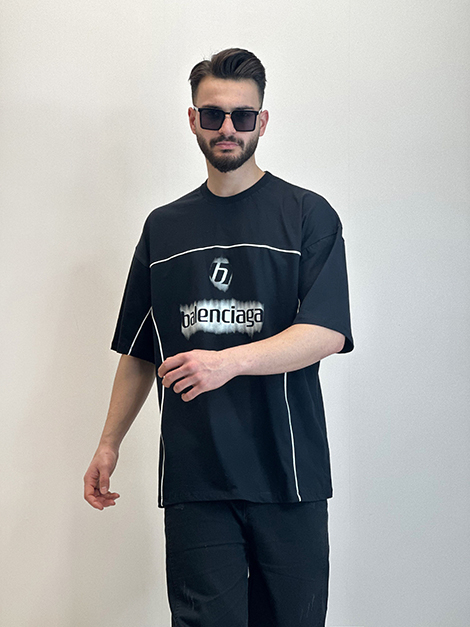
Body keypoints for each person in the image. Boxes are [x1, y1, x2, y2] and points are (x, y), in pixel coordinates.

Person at [84, 47, 354, 627]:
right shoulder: (163, 228)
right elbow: (139, 350)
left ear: (262, 121)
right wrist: (108, 444)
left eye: (242, 115)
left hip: (290, 476)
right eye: (213, 114)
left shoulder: (307, 215)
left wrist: (227, 362)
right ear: (192, 120)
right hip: (196, 479)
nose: (227, 127)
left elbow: (326, 331)